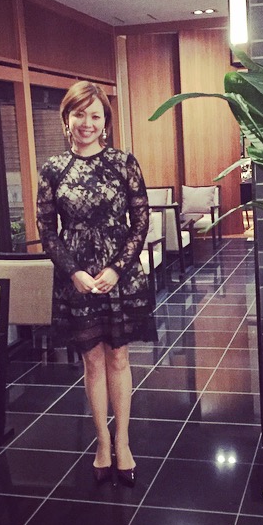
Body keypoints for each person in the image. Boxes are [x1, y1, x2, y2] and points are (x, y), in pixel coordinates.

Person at [36, 80, 157, 487]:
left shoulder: (124, 163)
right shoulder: (53, 169)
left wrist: (117, 268)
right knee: (92, 360)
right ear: (66, 119)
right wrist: (74, 271)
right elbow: (47, 230)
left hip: (118, 274)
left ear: (105, 121)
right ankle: (102, 442)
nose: (87, 122)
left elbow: (141, 221)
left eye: (95, 115)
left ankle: (123, 442)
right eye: (79, 114)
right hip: (77, 277)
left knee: (118, 358)